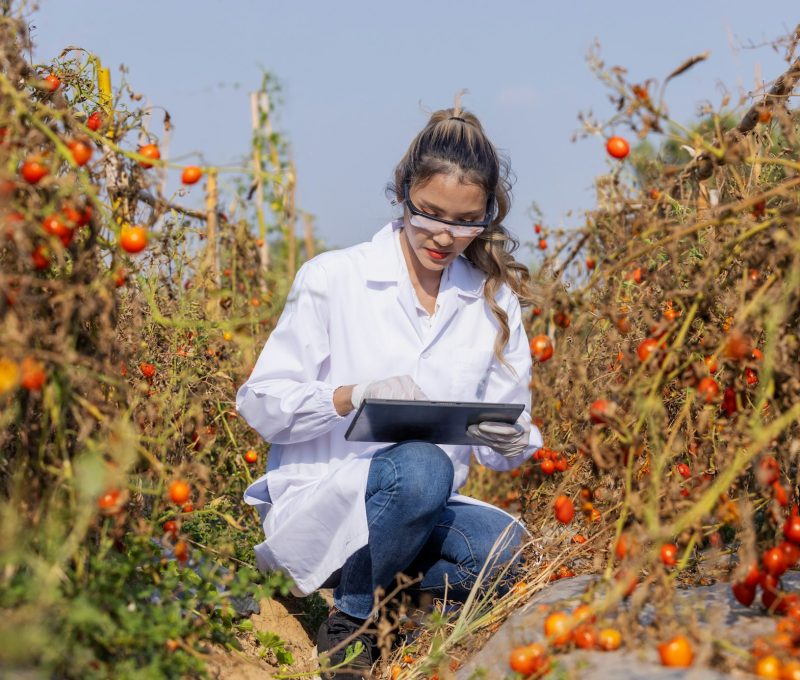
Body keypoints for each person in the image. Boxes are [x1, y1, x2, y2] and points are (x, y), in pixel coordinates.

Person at [235, 98, 543, 679]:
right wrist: (350, 395)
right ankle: (354, 620)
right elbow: (260, 403)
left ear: (488, 217)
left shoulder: (492, 300)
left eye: (466, 221)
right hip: (325, 505)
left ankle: (386, 587)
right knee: (423, 467)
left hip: (421, 520)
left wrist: (510, 436)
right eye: (429, 214)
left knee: (506, 549)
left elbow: (504, 448)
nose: (445, 236)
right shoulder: (333, 277)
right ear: (402, 191)